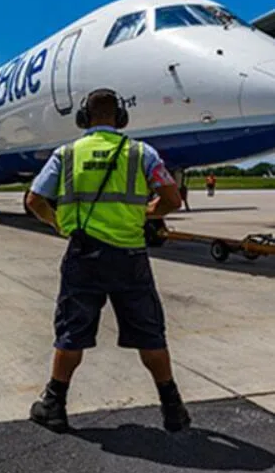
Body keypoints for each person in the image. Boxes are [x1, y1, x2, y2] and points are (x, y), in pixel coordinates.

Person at [24, 88, 190, 433]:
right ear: (121, 118)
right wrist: (148, 212)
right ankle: (172, 407)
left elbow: (34, 200)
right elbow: (172, 198)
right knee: (150, 334)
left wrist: (60, 224)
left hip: (83, 256)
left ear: (84, 118)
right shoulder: (142, 153)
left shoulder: (67, 154)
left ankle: (54, 406)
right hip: (130, 256)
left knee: (72, 332)